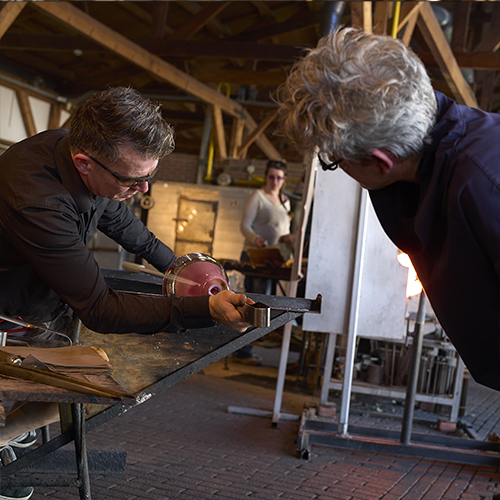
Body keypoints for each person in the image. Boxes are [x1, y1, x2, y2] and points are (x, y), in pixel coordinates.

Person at [0, 86, 250, 500]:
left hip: (41, 297)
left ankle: (8, 434)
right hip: (8, 311)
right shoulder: (36, 197)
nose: (145, 189)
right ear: (85, 164)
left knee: (87, 386)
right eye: (134, 180)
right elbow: (100, 308)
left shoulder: (79, 151)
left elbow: (117, 216)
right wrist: (203, 307)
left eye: (148, 176)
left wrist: (178, 268)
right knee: (89, 386)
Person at [276, 26, 500, 394]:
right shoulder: (429, 171)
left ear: (382, 162)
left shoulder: (485, 185)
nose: (339, 167)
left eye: (335, 161)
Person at [234, 160, 296, 365]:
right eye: (271, 176)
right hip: (256, 255)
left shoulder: (285, 201)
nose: (275, 181)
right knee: (255, 304)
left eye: (279, 177)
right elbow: (244, 226)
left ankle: (247, 347)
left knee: (264, 304)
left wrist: (290, 237)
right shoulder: (257, 197)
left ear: (284, 179)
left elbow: (282, 227)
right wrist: (256, 239)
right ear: (265, 177)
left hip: (274, 257)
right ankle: (242, 351)